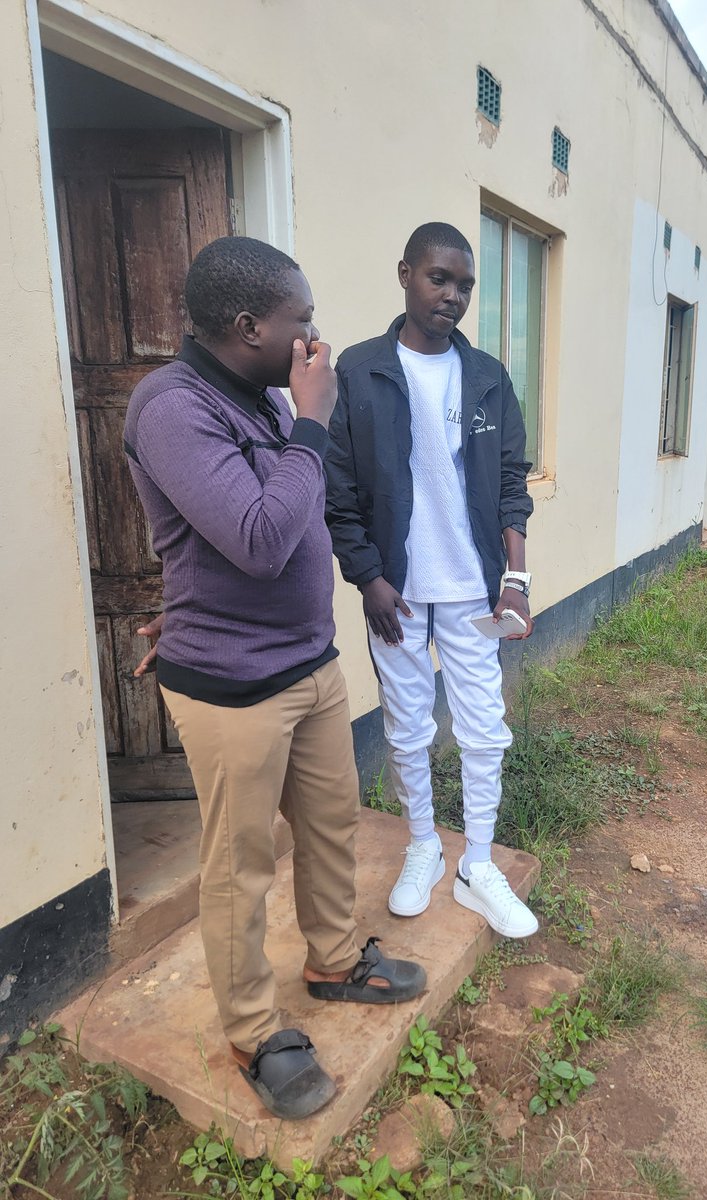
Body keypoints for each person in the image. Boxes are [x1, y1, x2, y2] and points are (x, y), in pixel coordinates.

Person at [124, 236, 425, 1122]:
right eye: (302, 321)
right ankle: (255, 1031)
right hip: (231, 688)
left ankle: (334, 961)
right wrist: (314, 421)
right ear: (251, 324)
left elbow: (277, 518)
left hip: (308, 665)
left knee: (332, 826)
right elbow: (257, 539)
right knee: (240, 866)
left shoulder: (257, 399)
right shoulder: (172, 406)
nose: (313, 339)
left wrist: (299, 424)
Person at [325, 221, 538, 940]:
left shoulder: (486, 378)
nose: (452, 295)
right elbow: (339, 489)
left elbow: (512, 482)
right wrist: (368, 579)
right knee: (409, 727)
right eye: (438, 278)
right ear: (405, 274)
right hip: (398, 593)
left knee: (484, 727)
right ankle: (423, 844)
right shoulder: (358, 372)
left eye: (465, 285)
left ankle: (477, 862)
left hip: (475, 591)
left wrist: (516, 578)